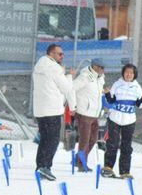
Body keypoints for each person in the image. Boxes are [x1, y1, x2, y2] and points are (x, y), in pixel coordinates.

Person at [32, 44, 76, 181]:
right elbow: (67, 88)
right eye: (59, 54)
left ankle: (40, 166)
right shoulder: (54, 68)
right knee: (53, 140)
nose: (62, 56)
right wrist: (69, 75)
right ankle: (45, 167)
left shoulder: (39, 66)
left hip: (40, 109)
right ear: (51, 54)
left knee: (44, 139)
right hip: (52, 109)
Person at [100, 63, 142, 179]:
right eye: (127, 72)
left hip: (129, 120)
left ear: (134, 75)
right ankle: (108, 168)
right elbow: (111, 101)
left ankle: (124, 171)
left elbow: (140, 105)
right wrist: (107, 93)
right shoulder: (117, 84)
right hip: (115, 119)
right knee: (112, 143)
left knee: (126, 146)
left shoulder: (137, 87)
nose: (129, 74)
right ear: (123, 73)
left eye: (131, 73)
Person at [72, 59, 108, 172]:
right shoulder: (85, 77)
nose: (103, 70)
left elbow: (93, 91)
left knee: (93, 139)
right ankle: (82, 164)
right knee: (85, 140)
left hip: (94, 113)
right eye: (101, 67)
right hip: (84, 113)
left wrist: (103, 92)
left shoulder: (100, 77)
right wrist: (73, 106)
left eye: (104, 68)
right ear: (94, 67)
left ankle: (78, 158)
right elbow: (72, 89)